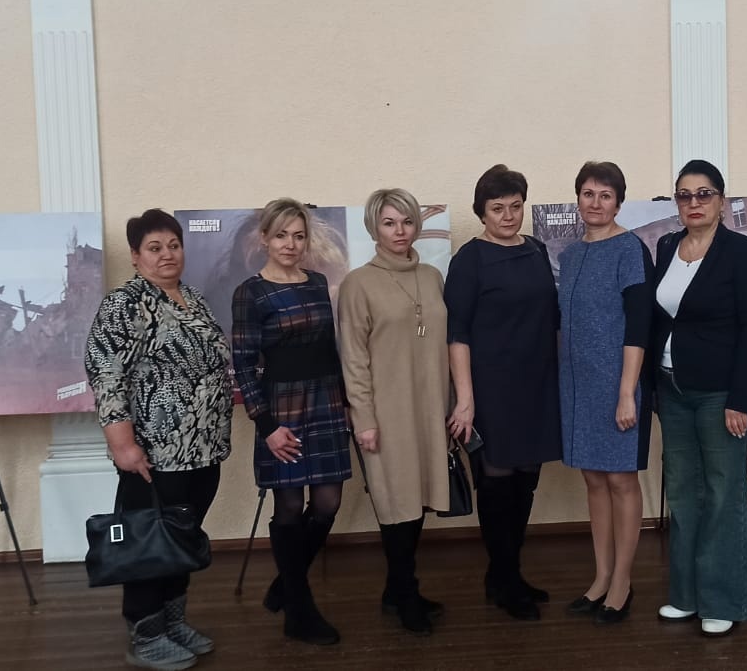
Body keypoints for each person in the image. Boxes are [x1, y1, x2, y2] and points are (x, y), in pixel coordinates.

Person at [85, 208, 234, 671]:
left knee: (182, 539)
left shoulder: (193, 298)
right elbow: (106, 374)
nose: (166, 254)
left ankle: (173, 620)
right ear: (135, 256)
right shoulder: (124, 304)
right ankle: (146, 634)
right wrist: (122, 445)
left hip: (204, 447)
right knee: (149, 543)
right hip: (155, 452)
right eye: (154, 248)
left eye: (173, 245)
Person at [652, 159, 747, 637]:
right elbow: (659, 318)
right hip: (672, 389)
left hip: (720, 394)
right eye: (684, 195)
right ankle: (686, 595)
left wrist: (740, 398)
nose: (694, 203)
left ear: (722, 200)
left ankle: (723, 601)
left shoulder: (741, 252)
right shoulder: (666, 247)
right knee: (683, 493)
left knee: (724, 493)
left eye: (704, 194)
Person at [230, 199, 352, 646]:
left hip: (325, 401)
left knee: (327, 504)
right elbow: (243, 365)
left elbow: (329, 350)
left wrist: (345, 402)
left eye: (299, 236)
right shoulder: (251, 292)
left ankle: (286, 583)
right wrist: (267, 426)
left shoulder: (318, 283)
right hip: (281, 411)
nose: (291, 244)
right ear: (264, 238)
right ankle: (299, 611)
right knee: (288, 507)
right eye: (281, 235)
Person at [443, 165, 561, 621]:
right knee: (496, 486)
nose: (508, 216)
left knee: (526, 483)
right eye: (498, 208)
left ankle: (505, 574)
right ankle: (506, 579)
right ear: (481, 212)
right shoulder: (469, 260)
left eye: (515, 206)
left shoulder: (537, 249)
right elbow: (457, 335)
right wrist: (465, 400)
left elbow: (550, 317)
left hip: (537, 384)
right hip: (491, 388)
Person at [336, 188, 453, 636]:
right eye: (389, 223)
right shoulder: (358, 284)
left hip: (429, 407)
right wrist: (363, 418)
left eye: (406, 221)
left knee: (417, 500)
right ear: (374, 228)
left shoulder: (432, 276)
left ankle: (395, 588)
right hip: (386, 413)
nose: (399, 231)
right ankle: (406, 594)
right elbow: (353, 358)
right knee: (395, 504)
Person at [557, 161, 654, 624]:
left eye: (605, 195)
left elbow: (638, 325)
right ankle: (600, 576)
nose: (595, 203)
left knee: (620, 480)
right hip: (577, 386)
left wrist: (627, 393)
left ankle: (622, 582)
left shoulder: (630, 249)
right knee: (593, 479)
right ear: (578, 198)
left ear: (618, 202)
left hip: (619, 383)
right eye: (588, 194)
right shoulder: (570, 255)